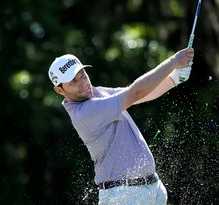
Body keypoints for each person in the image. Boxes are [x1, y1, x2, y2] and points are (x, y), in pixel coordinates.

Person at [48, 47, 194, 205]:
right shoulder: (85, 113)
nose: (83, 83)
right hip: (124, 196)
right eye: (73, 82)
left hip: (152, 189)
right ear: (59, 90)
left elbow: (143, 94)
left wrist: (174, 78)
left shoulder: (99, 93)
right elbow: (135, 92)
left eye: (83, 75)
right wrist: (172, 62)